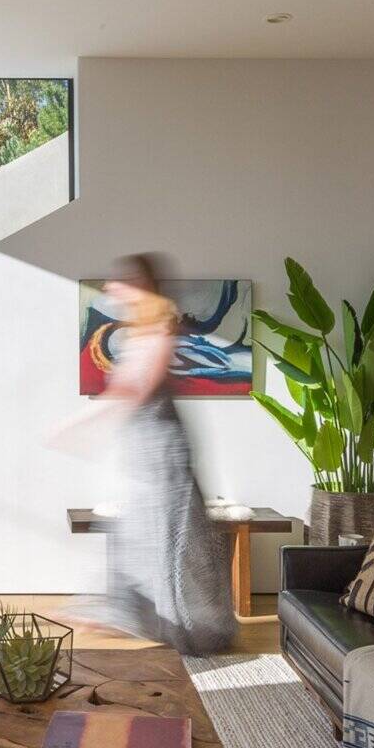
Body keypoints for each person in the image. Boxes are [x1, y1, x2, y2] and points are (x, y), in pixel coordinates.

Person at [55, 253, 236, 655]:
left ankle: (193, 634)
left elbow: (132, 393)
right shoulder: (140, 335)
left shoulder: (159, 334)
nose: (110, 289)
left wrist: (76, 425)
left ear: (140, 286)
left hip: (162, 458)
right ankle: (123, 613)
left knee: (170, 545)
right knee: (133, 537)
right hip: (143, 455)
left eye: (119, 282)